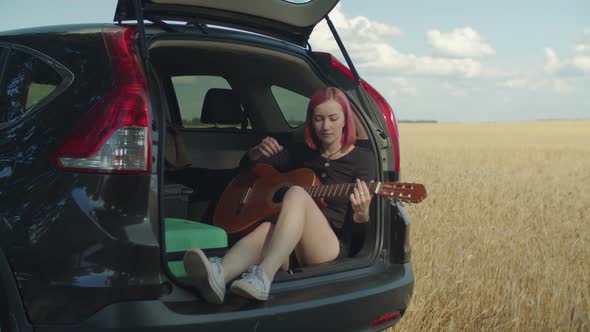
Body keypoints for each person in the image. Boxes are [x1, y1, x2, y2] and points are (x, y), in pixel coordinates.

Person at [183, 87, 376, 304]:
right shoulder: (300, 152)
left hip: (328, 247)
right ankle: (219, 275)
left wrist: (362, 216)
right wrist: (255, 153)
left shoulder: (363, 160)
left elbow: (359, 237)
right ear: (311, 121)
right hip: (289, 246)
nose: (326, 126)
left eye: (333, 118)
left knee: (296, 192)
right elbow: (252, 171)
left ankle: (263, 275)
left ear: (345, 120)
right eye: (318, 119)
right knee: (267, 229)